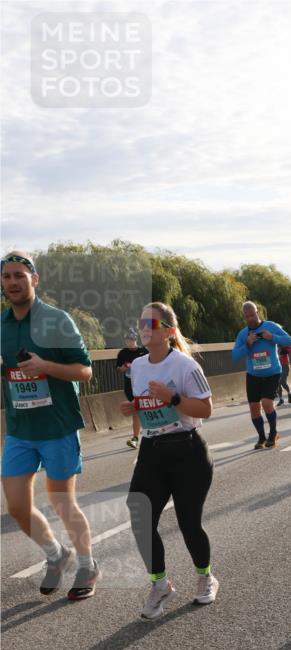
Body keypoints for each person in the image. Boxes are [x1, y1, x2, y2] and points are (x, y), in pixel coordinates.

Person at [1, 251, 100, 600]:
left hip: (57, 426)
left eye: (19, 275)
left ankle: (87, 564)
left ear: (34, 279)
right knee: (16, 506)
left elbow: (85, 371)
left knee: (62, 502)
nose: (13, 282)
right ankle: (56, 554)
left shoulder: (58, 320)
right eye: (7, 276)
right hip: (19, 429)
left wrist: (45, 366)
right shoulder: (1, 324)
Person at [121, 301, 218, 619]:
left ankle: (205, 576)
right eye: (141, 323)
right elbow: (147, 403)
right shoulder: (138, 366)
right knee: (140, 516)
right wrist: (135, 407)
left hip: (186, 449)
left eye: (151, 324)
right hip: (152, 449)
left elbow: (205, 409)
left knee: (189, 523)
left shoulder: (185, 366)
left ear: (169, 331)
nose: (144, 329)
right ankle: (160, 584)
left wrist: (172, 397)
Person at [232, 301, 291, 448]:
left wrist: (272, 337)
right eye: (247, 317)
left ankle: (273, 432)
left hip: (272, 373)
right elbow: (235, 355)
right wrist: (247, 344)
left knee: (266, 403)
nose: (250, 319)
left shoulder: (270, 326)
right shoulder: (243, 334)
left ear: (257, 312)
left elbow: (288, 340)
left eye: (252, 315)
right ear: (244, 317)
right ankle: (261, 437)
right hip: (253, 375)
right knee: (254, 407)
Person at [115, 329, 147, 447]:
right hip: (130, 386)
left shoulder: (144, 351)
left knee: (144, 409)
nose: (129, 342)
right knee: (136, 410)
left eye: (131, 340)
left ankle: (148, 434)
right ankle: (136, 438)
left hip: (145, 385)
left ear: (135, 339)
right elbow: (118, 368)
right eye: (127, 340)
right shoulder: (122, 353)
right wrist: (124, 367)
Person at [276, 341, 291, 405]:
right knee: (277, 383)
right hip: (276, 366)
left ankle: (289, 393)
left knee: (282, 381)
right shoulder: (272, 345)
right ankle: (281, 399)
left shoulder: (283, 342)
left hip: (285, 365)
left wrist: (285, 351)